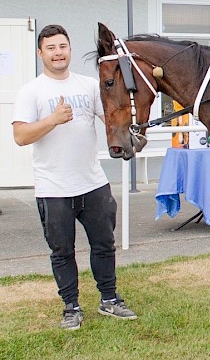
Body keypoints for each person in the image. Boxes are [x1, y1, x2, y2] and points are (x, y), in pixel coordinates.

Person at [11, 24, 137, 330]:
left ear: (70, 49)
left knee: (104, 244)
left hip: (92, 182)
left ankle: (109, 299)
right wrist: (53, 120)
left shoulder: (88, 86)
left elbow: (110, 116)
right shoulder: (31, 91)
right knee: (62, 251)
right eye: (51, 48)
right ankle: (71, 306)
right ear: (41, 53)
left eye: (63, 46)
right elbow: (20, 135)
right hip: (53, 188)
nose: (58, 53)